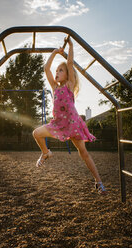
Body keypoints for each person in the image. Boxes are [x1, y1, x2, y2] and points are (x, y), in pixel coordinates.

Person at [32, 37, 107, 194]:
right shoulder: (54, 87)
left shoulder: (69, 86)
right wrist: (54, 52)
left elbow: (71, 64)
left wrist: (70, 46)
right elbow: (47, 69)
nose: (57, 72)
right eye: (57, 70)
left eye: (61, 70)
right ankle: (46, 153)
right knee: (36, 133)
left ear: (67, 75)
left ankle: (99, 182)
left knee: (84, 153)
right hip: (58, 124)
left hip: (73, 124)